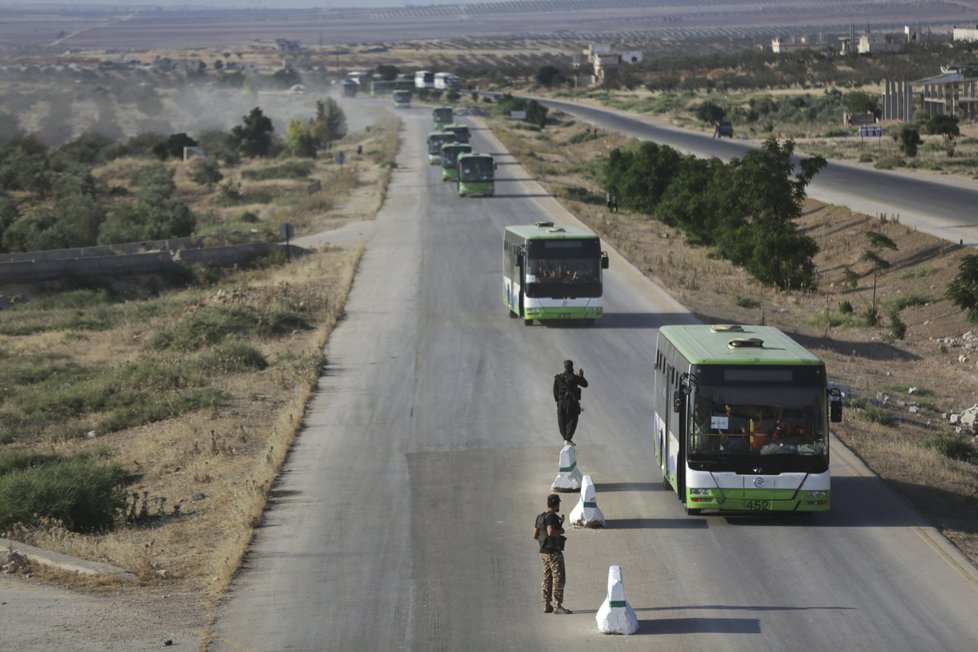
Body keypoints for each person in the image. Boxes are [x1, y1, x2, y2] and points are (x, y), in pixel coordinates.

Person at [533, 493, 572, 615]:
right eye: (558, 504)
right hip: (553, 553)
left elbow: (535, 535)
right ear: (555, 504)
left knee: (547, 577)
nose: (559, 506)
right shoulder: (552, 517)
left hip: (543, 552)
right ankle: (558, 606)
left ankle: (546, 604)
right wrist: (561, 530)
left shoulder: (540, 517)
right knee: (558, 578)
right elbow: (550, 532)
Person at [553, 360, 588, 445]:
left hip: (561, 403)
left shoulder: (559, 377)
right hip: (571, 403)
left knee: (561, 420)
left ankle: (565, 438)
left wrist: (557, 401)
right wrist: (581, 376)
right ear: (571, 366)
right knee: (572, 419)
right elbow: (585, 384)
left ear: (564, 366)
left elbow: (554, 390)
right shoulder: (574, 377)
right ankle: (568, 438)